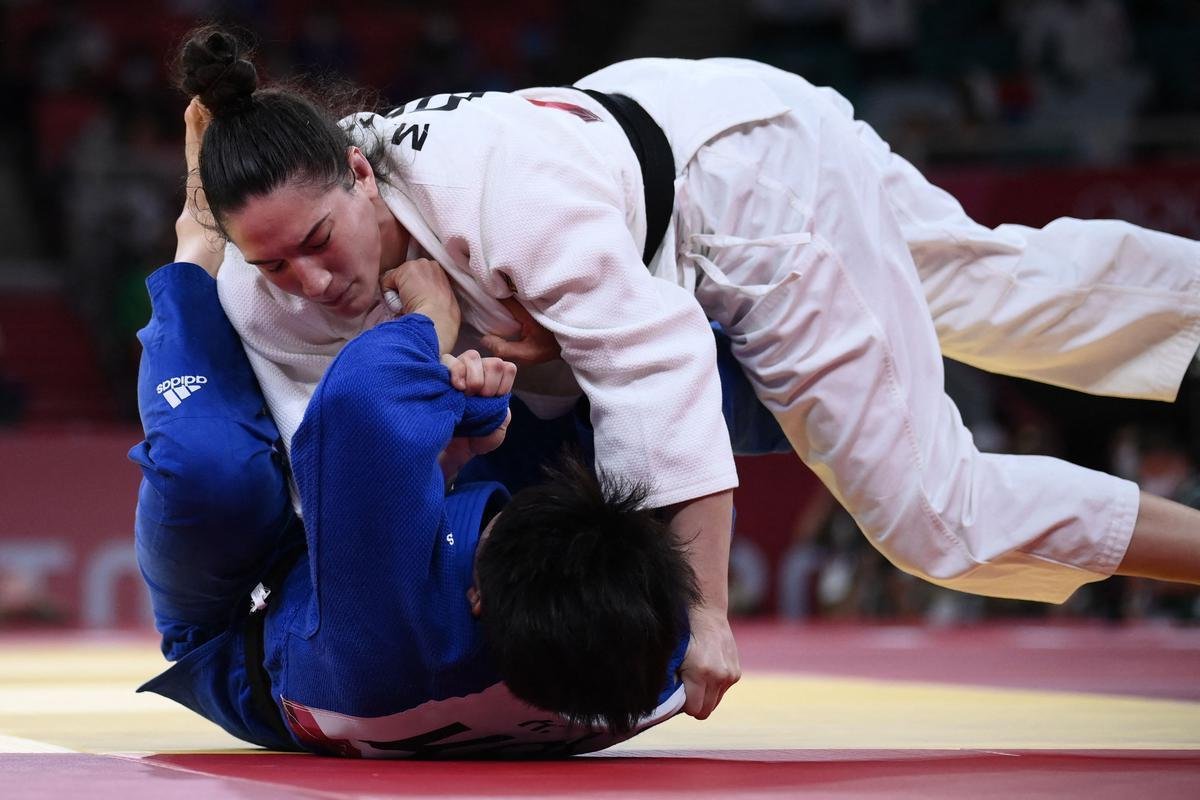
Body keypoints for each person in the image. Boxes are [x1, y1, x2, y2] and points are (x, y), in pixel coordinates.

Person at [178, 27, 1200, 721]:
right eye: (272, 262)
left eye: (317, 241)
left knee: (935, 516)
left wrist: (703, 604)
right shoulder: (270, 279)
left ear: (359, 173)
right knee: (993, 288)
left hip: (753, 197)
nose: (310, 281)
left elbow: (658, 365)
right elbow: (332, 452)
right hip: (701, 116)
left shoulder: (498, 194)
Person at [130, 181, 698, 753]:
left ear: (473, 596)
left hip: (252, 628)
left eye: (494, 528)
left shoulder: (383, 609)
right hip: (442, 649)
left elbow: (359, 396)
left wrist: (434, 317)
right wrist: (714, 616)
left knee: (211, 473)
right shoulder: (652, 662)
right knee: (610, 404)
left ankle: (192, 254)